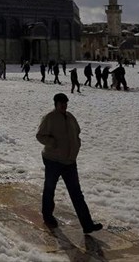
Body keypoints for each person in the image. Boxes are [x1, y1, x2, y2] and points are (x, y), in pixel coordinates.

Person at [36, 93, 103, 234]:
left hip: (69, 161)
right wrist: (52, 143)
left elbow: (77, 131)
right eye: (62, 104)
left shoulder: (70, 117)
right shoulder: (50, 118)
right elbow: (40, 135)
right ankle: (47, 216)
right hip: (53, 160)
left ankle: (87, 224)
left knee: (76, 193)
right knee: (50, 189)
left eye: (66, 104)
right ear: (56, 104)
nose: (64, 106)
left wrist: (76, 144)